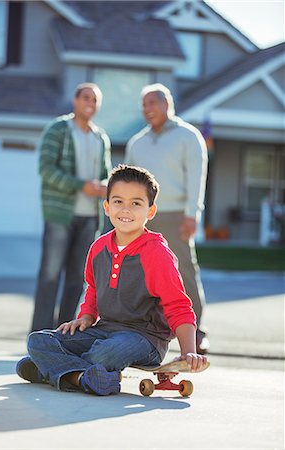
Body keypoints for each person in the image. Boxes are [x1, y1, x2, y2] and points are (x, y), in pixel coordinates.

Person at [16, 165, 208, 396]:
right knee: (38, 341)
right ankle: (81, 378)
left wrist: (188, 351)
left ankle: (50, 370)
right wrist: (86, 316)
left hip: (143, 339)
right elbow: (93, 290)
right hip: (103, 330)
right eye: (118, 201)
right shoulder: (98, 248)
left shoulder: (157, 253)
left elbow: (178, 306)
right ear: (107, 207)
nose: (125, 209)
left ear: (151, 210)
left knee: (106, 353)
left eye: (136, 203)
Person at [125, 83, 209, 353]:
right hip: (143, 217)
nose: (147, 109)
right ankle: (141, 330)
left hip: (176, 215)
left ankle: (197, 332)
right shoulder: (137, 142)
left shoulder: (188, 136)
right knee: (139, 273)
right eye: (144, 105)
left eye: (152, 103)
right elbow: (128, 181)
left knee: (184, 271)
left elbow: (197, 177)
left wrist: (191, 215)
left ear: (166, 105)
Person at [31, 82, 112, 332]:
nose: (90, 103)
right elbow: (46, 169)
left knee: (78, 279)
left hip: (90, 217)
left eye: (95, 99)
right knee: (50, 275)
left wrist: (103, 186)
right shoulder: (58, 129)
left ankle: (62, 334)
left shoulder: (101, 138)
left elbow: (105, 174)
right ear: (75, 101)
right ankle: (40, 334)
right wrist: (81, 186)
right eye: (85, 97)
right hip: (60, 214)